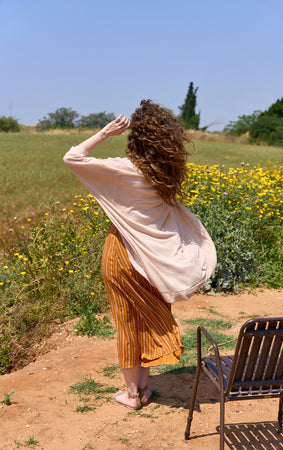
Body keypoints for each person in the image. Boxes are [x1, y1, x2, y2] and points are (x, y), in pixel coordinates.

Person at [63, 100, 217, 410]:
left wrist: (105, 133)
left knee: (126, 322)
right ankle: (143, 386)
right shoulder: (166, 173)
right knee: (146, 319)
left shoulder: (124, 169)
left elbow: (72, 157)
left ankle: (132, 394)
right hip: (152, 260)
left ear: (136, 137)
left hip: (122, 254)